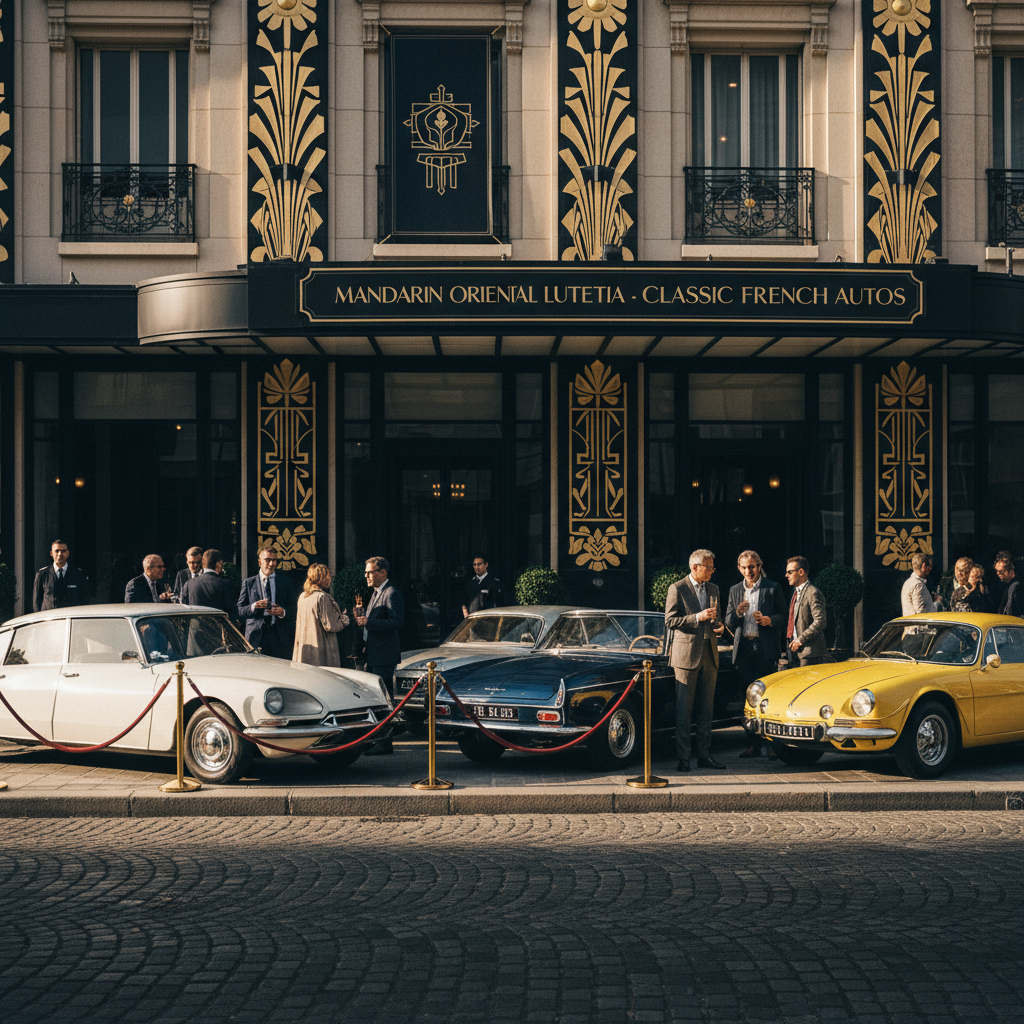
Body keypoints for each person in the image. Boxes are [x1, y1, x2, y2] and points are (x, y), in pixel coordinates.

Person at [664, 548, 726, 772]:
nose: (711, 571)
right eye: (708, 567)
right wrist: (697, 617)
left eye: (712, 568)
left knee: (706, 709)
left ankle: (704, 756)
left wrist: (719, 627)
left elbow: (717, 619)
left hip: (710, 653)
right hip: (686, 656)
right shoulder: (677, 588)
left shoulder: (714, 588)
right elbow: (670, 621)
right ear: (695, 567)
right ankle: (684, 758)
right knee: (684, 710)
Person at [725, 550, 788, 758]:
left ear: (759, 566)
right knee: (748, 697)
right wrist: (737, 613)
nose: (748, 571)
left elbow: (784, 615)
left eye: (752, 567)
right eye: (744, 567)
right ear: (739, 568)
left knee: (767, 696)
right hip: (744, 649)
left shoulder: (772, 587)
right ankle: (752, 743)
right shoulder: (735, 590)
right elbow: (728, 622)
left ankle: (770, 744)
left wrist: (770, 620)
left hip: (765, 648)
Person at [355, 556, 405, 755]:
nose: (366, 576)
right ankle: (377, 738)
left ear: (382, 572)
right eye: (366, 572)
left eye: (370, 572)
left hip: (384, 656)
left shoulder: (391, 593)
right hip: (374, 653)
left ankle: (385, 741)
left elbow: (397, 622)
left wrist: (369, 622)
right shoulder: (376, 593)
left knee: (383, 699)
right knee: (375, 699)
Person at [237, 547, 297, 659]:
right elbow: (239, 611)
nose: (271, 564)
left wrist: (283, 612)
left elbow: (294, 609)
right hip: (255, 637)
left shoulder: (285, 582)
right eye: (267, 560)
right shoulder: (249, 583)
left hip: (279, 636)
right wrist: (253, 606)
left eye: (274, 560)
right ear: (259, 562)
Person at [293, 564, 349, 666]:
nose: (330, 579)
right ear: (321, 578)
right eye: (328, 576)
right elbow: (330, 625)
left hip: (305, 650)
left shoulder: (303, 596)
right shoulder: (322, 597)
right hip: (321, 650)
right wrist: (344, 620)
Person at [784, 556, 827, 667]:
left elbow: (820, 621)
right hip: (795, 652)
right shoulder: (795, 593)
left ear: (801, 572)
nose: (786, 575)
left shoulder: (813, 593)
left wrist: (800, 640)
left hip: (810, 654)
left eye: (790, 572)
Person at [32, 539, 92, 612]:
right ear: (51, 553)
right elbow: (37, 602)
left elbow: (85, 601)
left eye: (63, 551)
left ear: (68, 553)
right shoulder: (42, 575)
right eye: (57, 551)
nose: (60, 554)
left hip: (71, 617)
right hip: (50, 618)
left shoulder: (78, 574)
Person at [180, 549, 238, 620]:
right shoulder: (225, 584)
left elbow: (183, 610)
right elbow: (232, 612)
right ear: (218, 564)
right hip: (217, 626)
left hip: (195, 626)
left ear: (203, 564)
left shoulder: (189, 584)